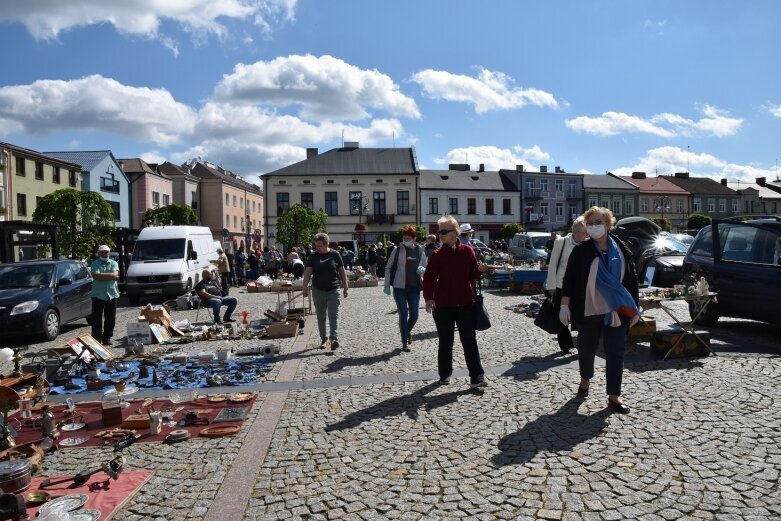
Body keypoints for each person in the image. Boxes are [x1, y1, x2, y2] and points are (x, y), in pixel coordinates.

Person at [560, 207, 640, 414]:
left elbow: (632, 280)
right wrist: (564, 305)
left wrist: (634, 306)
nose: (594, 226)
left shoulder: (622, 249)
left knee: (616, 352)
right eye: (591, 222)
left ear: (608, 224)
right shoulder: (581, 250)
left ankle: (614, 396)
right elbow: (569, 279)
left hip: (617, 309)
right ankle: (585, 381)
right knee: (586, 350)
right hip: (588, 309)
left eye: (599, 222)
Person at [423, 216, 490, 388]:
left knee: (469, 340)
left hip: (466, 303)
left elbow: (473, 274)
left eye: (444, 232)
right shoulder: (437, 255)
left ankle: (477, 376)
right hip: (443, 305)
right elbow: (429, 278)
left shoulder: (467, 251)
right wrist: (429, 298)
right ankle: (444, 374)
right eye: (439, 232)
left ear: (455, 232)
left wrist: (480, 270)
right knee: (446, 341)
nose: (440, 235)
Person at [544, 217, 589, 353]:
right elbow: (553, 265)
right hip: (560, 285)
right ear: (576, 232)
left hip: (578, 287)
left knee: (579, 316)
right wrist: (550, 286)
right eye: (585, 232)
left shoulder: (586, 244)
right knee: (561, 316)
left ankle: (582, 343)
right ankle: (566, 345)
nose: (587, 235)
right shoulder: (561, 242)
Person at [384, 226, 427, 352]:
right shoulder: (397, 250)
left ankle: (406, 331)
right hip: (399, 288)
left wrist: (419, 273)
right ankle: (404, 342)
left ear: (414, 238)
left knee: (414, 315)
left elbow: (424, 265)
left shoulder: (420, 250)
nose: (406, 239)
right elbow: (388, 267)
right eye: (404, 237)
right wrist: (387, 285)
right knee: (403, 314)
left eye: (409, 237)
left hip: (414, 288)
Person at [302, 233, 349, 350]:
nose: (317, 248)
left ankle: (334, 339)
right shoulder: (313, 256)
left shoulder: (335, 254)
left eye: (319, 246)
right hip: (318, 290)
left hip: (334, 289)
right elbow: (308, 273)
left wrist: (346, 287)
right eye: (316, 246)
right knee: (321, 316)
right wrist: (304, 288)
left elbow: (342, 272)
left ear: (326, 244)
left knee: (333, 314)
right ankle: (324, 339)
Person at [90, 245, 120, 346]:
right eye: (102, 252)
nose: (104, 254)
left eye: (106, 252)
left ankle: (107, 338)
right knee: (96, 318)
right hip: (98, 294)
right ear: (99, 253)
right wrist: (111, 275)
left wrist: (104, 275)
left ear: (109, 252)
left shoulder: (114, 263)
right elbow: (96, 276)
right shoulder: (94, 263)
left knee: (111, 318)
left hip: (112, 294)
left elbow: (115, 275)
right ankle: (96, 339)